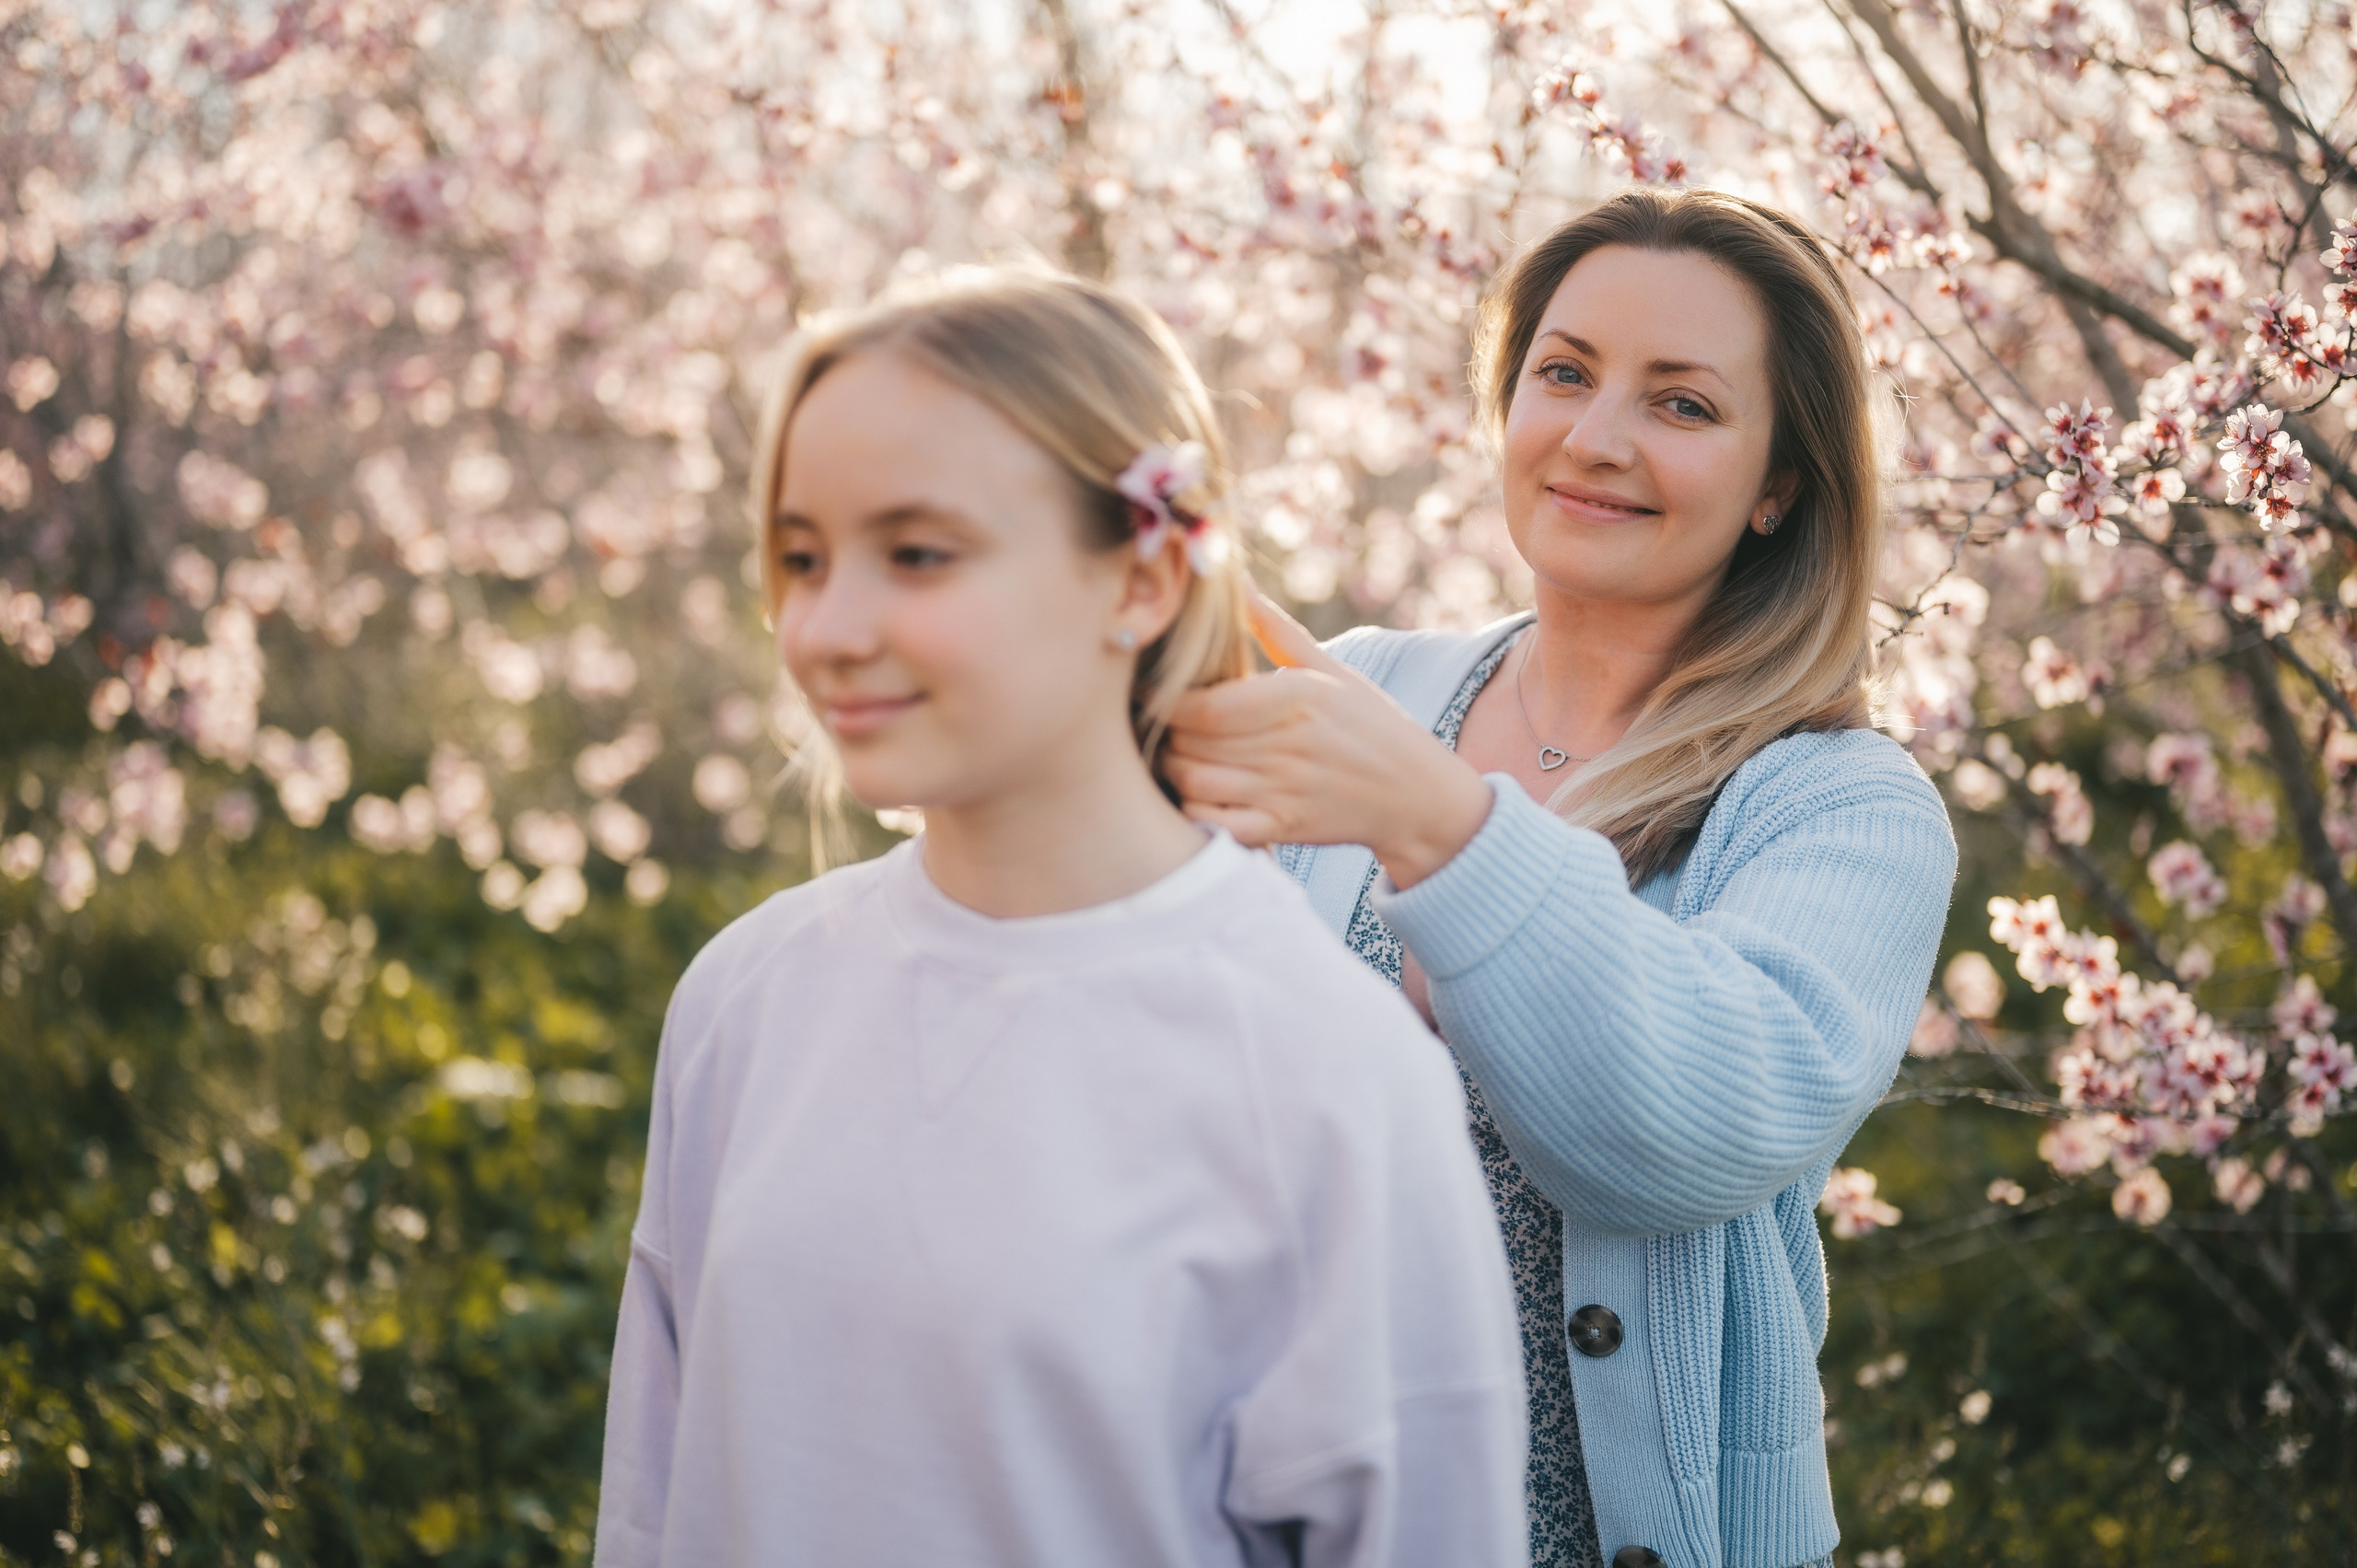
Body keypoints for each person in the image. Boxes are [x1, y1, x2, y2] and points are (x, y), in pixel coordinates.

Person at [591, 269, 1529, 1568]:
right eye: (802, 557)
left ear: (1141, 579)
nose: (830, 627)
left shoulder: (1330, 1075)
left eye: (918, 553)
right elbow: (656, 1501)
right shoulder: (744, 999)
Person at [1164, 190, 1958, 1568]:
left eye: (1684, 405)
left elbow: (1684, 1133)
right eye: (1565, 373)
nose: (1596, 440)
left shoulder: (1841, 808)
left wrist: (1435, 825)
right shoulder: (1361, 684)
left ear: (1781, 482)